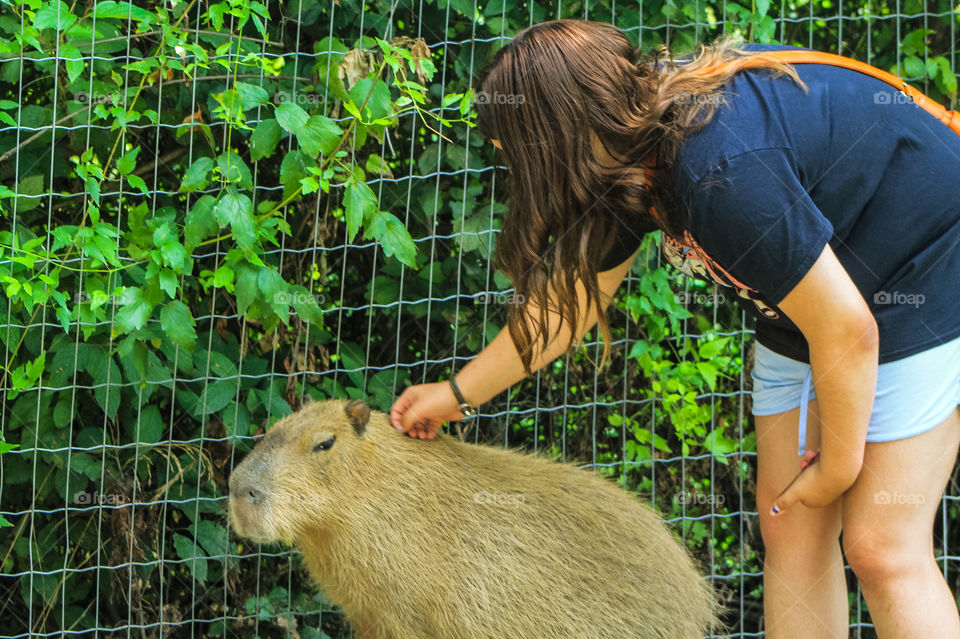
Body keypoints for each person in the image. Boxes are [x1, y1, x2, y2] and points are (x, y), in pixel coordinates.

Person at [389, 18, 960, 638]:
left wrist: (839, 467)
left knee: (881, 547)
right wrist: (454, 396)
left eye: (515, 148)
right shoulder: (625, 151)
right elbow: (569, 307)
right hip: (817, 302)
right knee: (788, 524)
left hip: (925, 270)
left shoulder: (722, 171)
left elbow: (848, 331)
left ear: (556, 136)